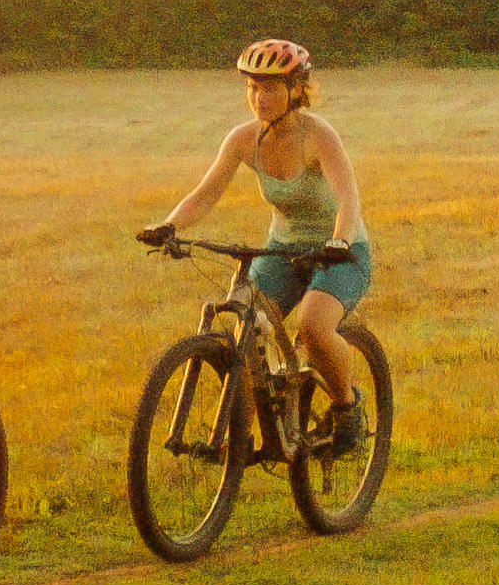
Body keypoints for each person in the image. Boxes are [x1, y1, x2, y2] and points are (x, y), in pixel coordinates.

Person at [136, 35, 370, 437]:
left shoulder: (318, 136)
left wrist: (340, 241)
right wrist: (168, 225)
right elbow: (204, 194)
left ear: (297, 89)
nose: (259, 97)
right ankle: (242, 439)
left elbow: (349, 199)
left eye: (271, 87)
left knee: (314, 328)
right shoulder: (243, 140)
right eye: (252, 87)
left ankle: (347, 409)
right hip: (281, 250)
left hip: (340, 253)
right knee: (243, 333)